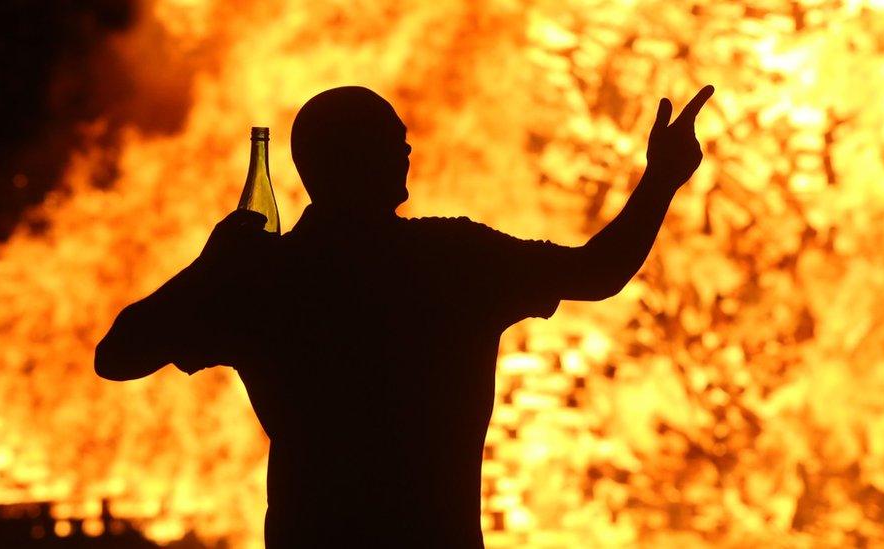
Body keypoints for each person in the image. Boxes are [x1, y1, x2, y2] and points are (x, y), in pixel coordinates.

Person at [95, 84, 714, 547]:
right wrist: (660, 179)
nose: (408, 147)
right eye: (393, 138)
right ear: (359, 159)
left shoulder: (267, 278)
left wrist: (211, 268)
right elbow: (597, 273)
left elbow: (118, 355)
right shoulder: (451, 258)